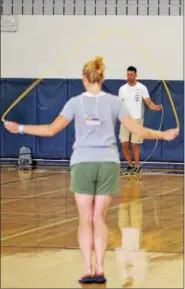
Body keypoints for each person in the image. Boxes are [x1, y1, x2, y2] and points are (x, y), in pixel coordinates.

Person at [4, 57, 178, 284]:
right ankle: (101, 269)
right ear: (103, 78)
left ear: (84, 79)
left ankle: (88, 269)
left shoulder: (74, 103)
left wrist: (20, 128)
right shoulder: (115, 103)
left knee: (85, 218)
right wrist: (164, 134)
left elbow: (50, 130)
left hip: (82, 164)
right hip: (107, 164)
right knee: (99, 218)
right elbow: (140, 131)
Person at [119, 66, 162, 174]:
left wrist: (155, 107)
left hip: (137, 119)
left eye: (131, 75)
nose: (129, 77)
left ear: (136, 75)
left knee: (134, 144)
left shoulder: (141, 88)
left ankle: (137, 166)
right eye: (128, 75)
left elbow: (148, 102)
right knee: (124, 144)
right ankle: (130, 165)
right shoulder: (122, 89)